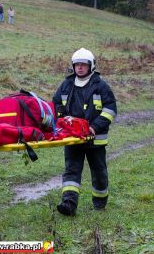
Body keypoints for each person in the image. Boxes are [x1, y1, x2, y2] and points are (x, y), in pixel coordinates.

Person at [52, 48, 117, 216]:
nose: (80, 68)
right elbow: (56, 104)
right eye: (77, 65)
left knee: (98, 171)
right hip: (72, 137)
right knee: (71, 169)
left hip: (95, 138)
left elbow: (110, 109)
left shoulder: (100, 85)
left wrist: (94, 127)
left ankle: (100, 203)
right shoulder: (66, 84)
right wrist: (63, 121)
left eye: (83, 65)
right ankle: (69, 203)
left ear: (91, 66)